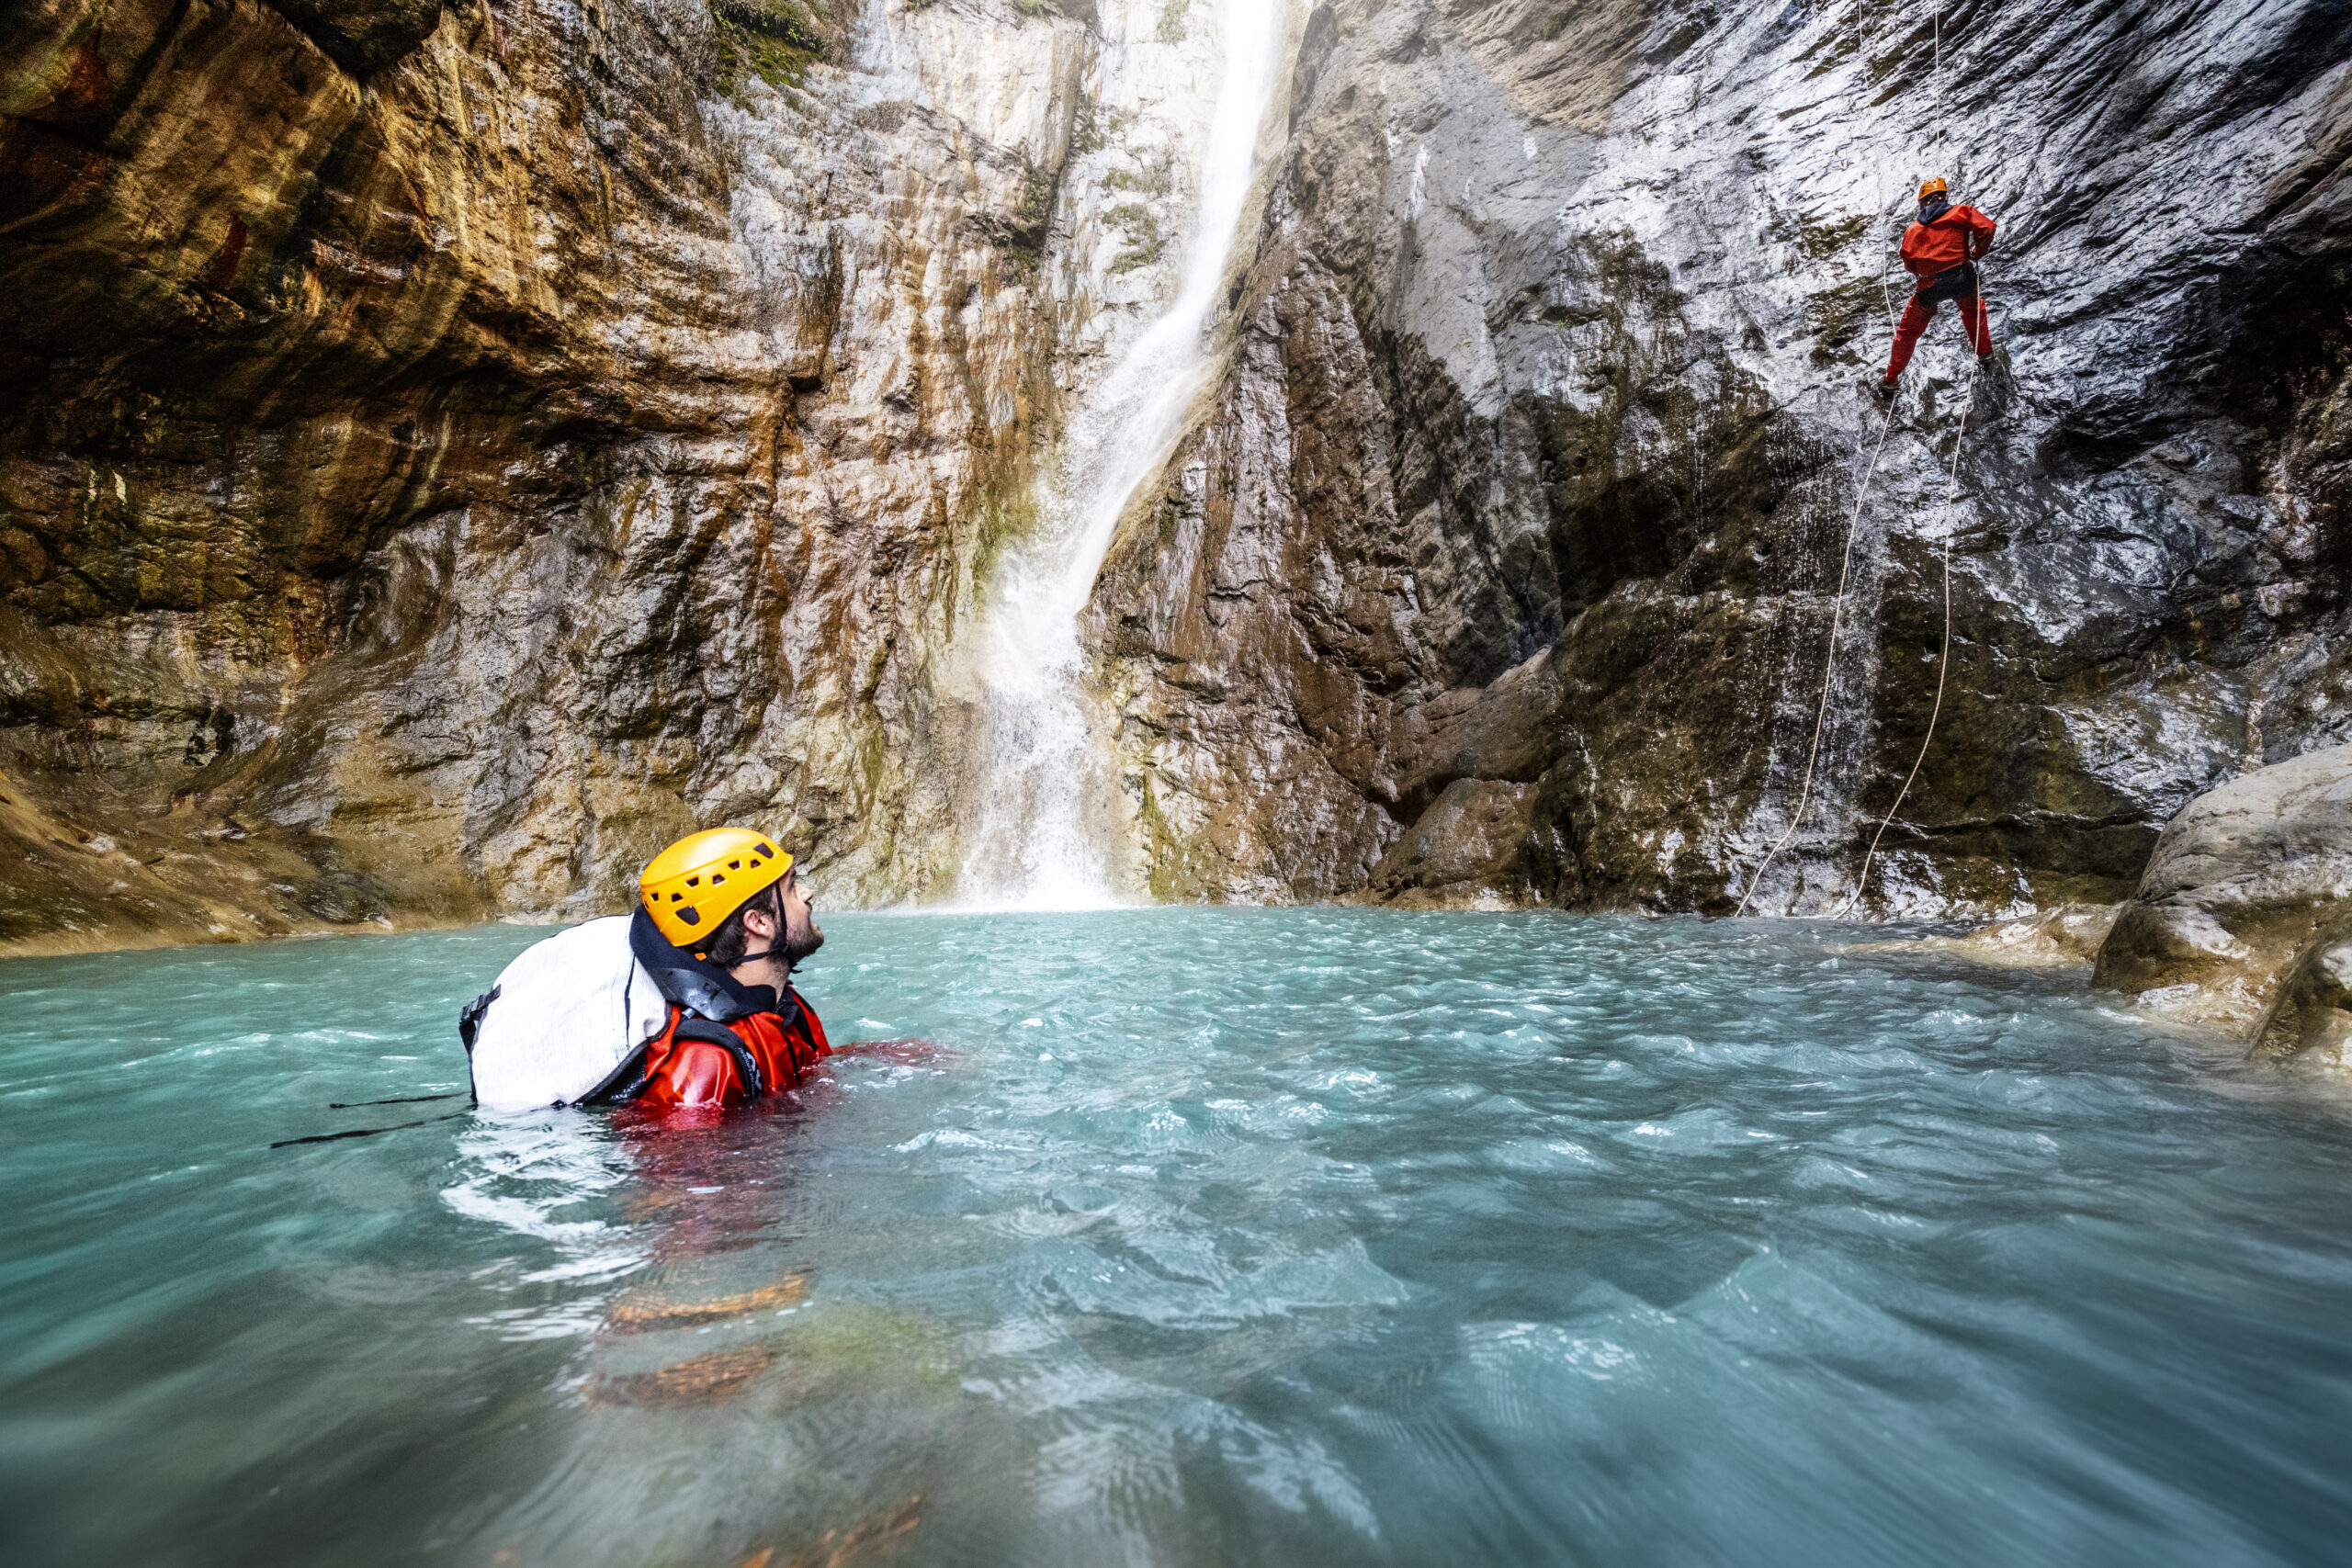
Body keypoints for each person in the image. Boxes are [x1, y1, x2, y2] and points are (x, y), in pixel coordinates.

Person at [460, 827, 832, 1111]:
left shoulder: (780, 1004)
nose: (806, 893)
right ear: (759, 922)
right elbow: (689, 1195)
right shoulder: (704, 1062)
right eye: (790, 887)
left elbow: (816, 1070)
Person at [1875, 176, 1996, 400]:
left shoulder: (1912, 231)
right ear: (1945, 197)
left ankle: (1890, 380)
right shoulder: (1962, 212)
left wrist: (1928, 270)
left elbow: (1909, 263)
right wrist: (1977, 252)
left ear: (1922, 203)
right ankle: (1985, 355)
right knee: (1973, 312)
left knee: (1908, 332)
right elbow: (1987, 228)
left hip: (1931, 287)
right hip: (1962, 277)